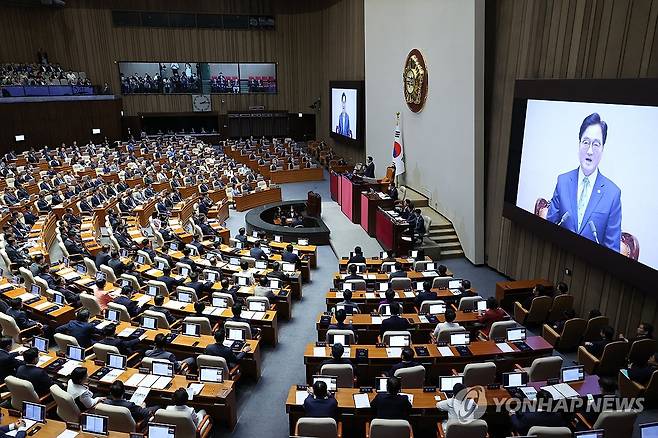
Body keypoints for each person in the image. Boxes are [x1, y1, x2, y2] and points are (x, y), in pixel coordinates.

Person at [546, 113, 621, 251]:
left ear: (603, 149)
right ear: (579, 144)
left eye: (596, 144)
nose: (590, 151)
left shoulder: (613, 195)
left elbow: (612, 252)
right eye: (586, 142)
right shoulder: (562, 182)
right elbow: (547, 230)